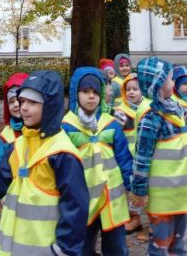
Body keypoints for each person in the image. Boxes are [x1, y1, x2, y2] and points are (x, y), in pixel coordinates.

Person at [0, 70, 89, 256]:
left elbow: (75, 207)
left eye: (33, 102)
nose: (24, 108)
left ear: (50, 106)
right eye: (22, 101)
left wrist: (64, 250)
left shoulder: (62, 154)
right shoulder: (18, 145)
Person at [131, 57, 187, 256]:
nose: (173, 83)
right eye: (170, 79)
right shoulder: (151, 117)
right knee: (161, 242)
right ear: (156, 83)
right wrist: (139, 190)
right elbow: (142, 156)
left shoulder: (171, 106)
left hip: (182, 189)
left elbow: (184, 117)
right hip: (163, 194)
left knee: (179, 241)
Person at [62, 67, 132, 256]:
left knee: (116, 248)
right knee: (82, 247)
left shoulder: (111, 124)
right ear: (76, 94)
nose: (91, 96)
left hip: (111, 198)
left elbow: (124, 158)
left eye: (95, 92)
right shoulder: (66, 127)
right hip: (83, 200)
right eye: (85, 91)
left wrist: (132, 185)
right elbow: (61, 165)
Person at [113, 73, 151, 234]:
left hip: (145, 156)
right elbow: (115, 132)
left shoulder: (148, 109)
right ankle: (134, 218)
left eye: (135, 89)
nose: (131, 92)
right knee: (131, 188)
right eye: (128, 89)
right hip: (128, 157)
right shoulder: (121, 112)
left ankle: (155, 219)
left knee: (150, 188)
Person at [0, 72, 29, 166]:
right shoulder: (6, 135)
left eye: (19, 100)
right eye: (11, 101)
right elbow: (0, 164)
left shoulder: (40, 128)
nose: (16, 104)